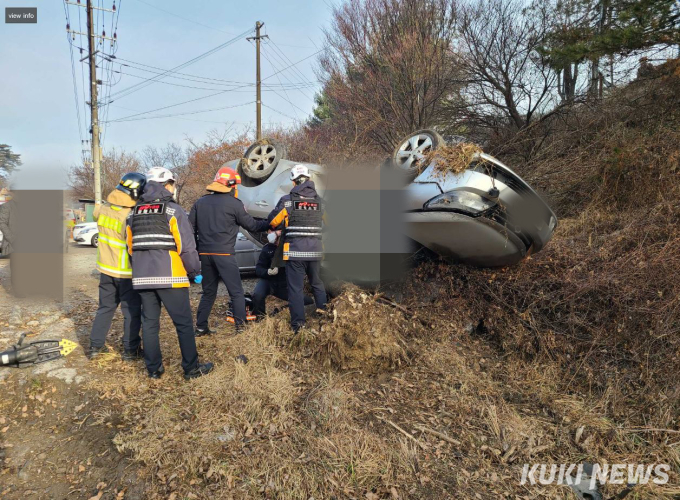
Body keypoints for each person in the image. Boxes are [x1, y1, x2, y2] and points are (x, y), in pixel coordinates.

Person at [125, 167, 213, 380]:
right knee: (183, 324)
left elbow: (130, 247)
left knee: (149, 323)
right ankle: (191, 369)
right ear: (167, 185)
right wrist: (194, 271)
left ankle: (154, 369)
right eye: (172, 184)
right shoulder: (173, 210)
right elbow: (186, 247)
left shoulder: (132, 213)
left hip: (142, 278)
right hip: (171, 276)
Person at [189, 166, 269, 334]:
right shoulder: (234, 204)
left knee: (208, 292)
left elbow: (190, 229)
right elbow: (252, 225)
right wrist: (270, 221)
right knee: (236, 292)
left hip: (204, 255)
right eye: (236, 186)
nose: (236, 190)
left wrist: (197, 249)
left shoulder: (199, 203)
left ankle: (201, 327)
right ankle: (240, 328)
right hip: (224, 254)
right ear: (231, 185)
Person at [89, 173, 145, 360]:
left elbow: (98, 212)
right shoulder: (130, 216)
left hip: (105, 271)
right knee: (131, 312)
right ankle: (130, 350)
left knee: (105, 308)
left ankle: (96, 347)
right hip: (126, 273)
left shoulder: (102, 210)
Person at [268, 164, 327, 332]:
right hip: (315, 250)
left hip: (294, 253)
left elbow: (273, 222)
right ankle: (324, 319)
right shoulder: (320, 201)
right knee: (317, 284)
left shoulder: (287, 201)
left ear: (294, 182)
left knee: (295, 289)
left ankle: (299, 326)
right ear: (309, 180)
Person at [251, 230, 314, 318]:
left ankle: (281, 311)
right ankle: (260, 318)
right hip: (268, 281)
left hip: (284, 284)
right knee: (257, 295)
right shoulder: (267, 248)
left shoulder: (290, 248)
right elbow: (258, 269)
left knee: (307, 301)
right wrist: (268, 272)